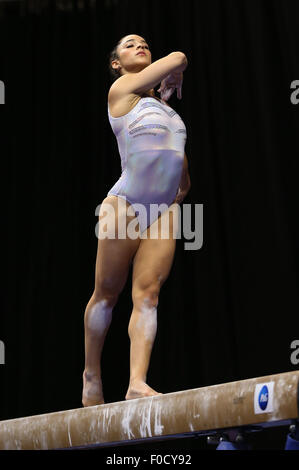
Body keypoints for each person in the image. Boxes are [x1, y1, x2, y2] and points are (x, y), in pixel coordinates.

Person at [82, 34, 191, 407]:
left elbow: (178, 158)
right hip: (125, 204)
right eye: (130, 45)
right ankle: (92, 373)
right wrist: (175, 71)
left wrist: (179, 186)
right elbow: (178, 56)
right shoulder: (122, 90)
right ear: (116, 63)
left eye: (144, 43)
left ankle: (136, 382)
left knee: (148, 296)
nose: (140, 46)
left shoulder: (166, 110)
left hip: (161, 210)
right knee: (107, 295)